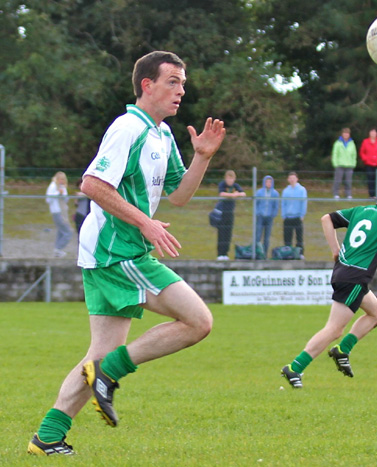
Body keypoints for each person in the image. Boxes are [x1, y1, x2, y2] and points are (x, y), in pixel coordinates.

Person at [28, 51, 226, 456]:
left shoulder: (162, 134)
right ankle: (109, 373)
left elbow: (180, 196)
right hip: (117, 251)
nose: (181, 91)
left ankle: (47, 437)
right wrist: (145, 223)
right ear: (146, 85)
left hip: (115, 250)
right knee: (198, 321)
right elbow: (92, 184)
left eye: (183, 83)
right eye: (173, 81)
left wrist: (203, 157)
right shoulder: (128, 128)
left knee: (98, 354)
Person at [281, 180, 377, 389]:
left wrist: (335, 250)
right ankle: (294, 368)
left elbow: (326, 219)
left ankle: (342, 350)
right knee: (334, 329)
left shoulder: (361, 210)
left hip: (345, 272)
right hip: (355, 278)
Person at [216, 170, 246, 260]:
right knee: (221, 233)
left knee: (228, 234)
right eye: (228, 178)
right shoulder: (222, 185)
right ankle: (220, 254)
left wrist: (237, 194)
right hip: (222, 213)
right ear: (226, 178)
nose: (230, 181)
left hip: (230, 213)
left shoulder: (235, 186)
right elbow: (221, 194)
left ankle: (226, 254)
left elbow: (243, 194)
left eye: (232, 179)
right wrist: (233, 195)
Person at [45, 171, 73, 257]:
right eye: (60, 179)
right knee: (68, 232)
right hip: (56, 212)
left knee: (61, 231)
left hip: (63, 212)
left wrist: (63, 193)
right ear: (57, 179)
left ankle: (57, 250)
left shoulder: (62, 187)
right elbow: (48, 200)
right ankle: (59, 248)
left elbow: (66, 199)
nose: (62, 181)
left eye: (63, 179)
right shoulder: (53, 186)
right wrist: (58, 193)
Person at [281, 172, 307, 259]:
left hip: (297, 216)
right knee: (287, 237)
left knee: (299, 236)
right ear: (288, 180)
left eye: (293, 178)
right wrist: (284, 215)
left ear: (297, 179)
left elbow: (303, 203)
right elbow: (283, 204)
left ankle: (300, 254)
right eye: (290, 178)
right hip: (288, 217)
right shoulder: (285, 191)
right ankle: (288, 253)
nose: (292, 180)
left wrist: (302, 215)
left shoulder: (301, 190)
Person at [359, 128, 377, 198]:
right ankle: (371, 195)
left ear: (376, 133)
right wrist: (365, 159)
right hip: (369, 164)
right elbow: (362, 152)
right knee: (370, 179)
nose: (373, 134)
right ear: (369, 133)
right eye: (372, 132)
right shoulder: (365, 142)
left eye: (374, 132)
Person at [255, 175, 279, 257]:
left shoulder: (275, 193)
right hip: (260, 216)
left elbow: (276, 205)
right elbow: (256, 203)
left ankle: (264, 254)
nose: (268, 183)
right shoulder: (259, 192)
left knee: (267, 237)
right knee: (258, 235)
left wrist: (273, 214)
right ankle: (257, 253)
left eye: (270, 182)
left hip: (269, 217)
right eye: (267, 182)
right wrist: (257, 212)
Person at [331, 127, 357, 199]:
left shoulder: (352, 143)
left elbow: (354, 154)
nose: (346, 135)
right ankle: (336, 194)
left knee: (348, 181)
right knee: (337, 181)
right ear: (342, 134)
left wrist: (353, 163)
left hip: (349, 165)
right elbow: (335, 154)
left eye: (347, 133)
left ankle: (348, 194)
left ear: (349, 135)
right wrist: (335, 164)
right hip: (339, 165)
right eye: (344, 133)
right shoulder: (337, 143)